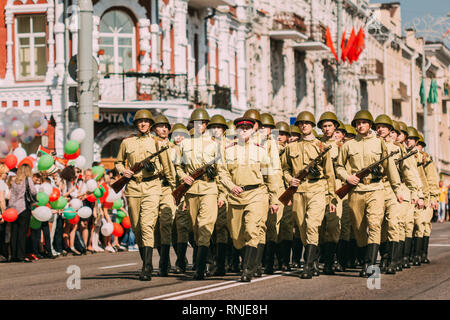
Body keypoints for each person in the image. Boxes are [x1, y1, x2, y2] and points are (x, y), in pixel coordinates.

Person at [335, 110, 402, 278]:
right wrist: (347, 177)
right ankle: (365, 257)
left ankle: (370, 264)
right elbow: (339, 166)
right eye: (357, 123)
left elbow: (390, 168)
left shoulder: (380, 144)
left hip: (376, 189)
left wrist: (397, 190)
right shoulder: (348, 145)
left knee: (374, 225)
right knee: (358, 228)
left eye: (363, 123)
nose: (360, 125)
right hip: (356, 191)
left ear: (370, 125)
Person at [115, 109, 176, 281]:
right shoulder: (127, 143)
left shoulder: (158, 143)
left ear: (150, 125)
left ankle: (147, 267)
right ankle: (146, 262)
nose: (143, 124)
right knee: (137, 227)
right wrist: (123, 171)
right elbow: (118, 162)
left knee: (147, 225)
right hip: (133, 187)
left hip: (152, 186)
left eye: (146, 122)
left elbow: (168, 169)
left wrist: (174, 191)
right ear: (136, 124)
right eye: (140, 122)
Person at [218, 115, 281, 282]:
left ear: (252, 130)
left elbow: (270, 176)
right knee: (237, 237)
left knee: (252, 229)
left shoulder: (260, 150)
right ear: (236, 130)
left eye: (247, 128)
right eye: (240, 128)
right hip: (236, 196)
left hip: (257, 194)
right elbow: (222, 173)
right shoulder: (227, 150)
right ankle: (248, 262)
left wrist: (274, 199)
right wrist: (231, 187)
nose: (244, 130)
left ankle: (247, 269)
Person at [281, 111, 337, 279]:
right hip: (298, 191)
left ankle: (307, 264)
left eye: (307, 123)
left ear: (312, 125)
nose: (304, 126)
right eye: (301, 123)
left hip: (317, 188)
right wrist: (290, 179)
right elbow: (284, 169)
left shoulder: (321, 146)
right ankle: (313, 259)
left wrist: (331, 198)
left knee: (312, 224)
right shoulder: (291, 147)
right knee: (301, 227)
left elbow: (329, 174)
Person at [174, 109, 220, 280]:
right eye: (196, 123)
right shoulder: (184, 144)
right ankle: (209, 257)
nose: (199, 125)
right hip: (191, 190)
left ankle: (200, 268)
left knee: (205, 226)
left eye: (203, 123)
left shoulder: (215, 144)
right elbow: (178, 166)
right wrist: (183, 176)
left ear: (206, 125)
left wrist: (221, 191)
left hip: (209, 188)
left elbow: (222, 170)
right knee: (195, 229)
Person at [151, 114, 178, 276]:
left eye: (166, 127)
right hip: (153, 187)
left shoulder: (175, 147)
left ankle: (164, 262)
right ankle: (164, 259)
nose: (164, 129)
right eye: (160, 126)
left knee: (166, 223)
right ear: (154, 129)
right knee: (154, 227)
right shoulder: (150, 145)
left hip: (169, 188)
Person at [9, 163, 37, 262]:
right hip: (24, 207)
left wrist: (10, 207)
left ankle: (13, 255)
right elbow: (33, 191)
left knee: (14, 232)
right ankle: (20, 255)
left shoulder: (15, 181)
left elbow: (12, 195)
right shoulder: (28, 179)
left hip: (13, 209)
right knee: (22, 232)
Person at [0, 164, 10, 261]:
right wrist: (3, 214)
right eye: (6, 173)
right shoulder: (2, 184)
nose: (7, 175)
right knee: (1, 233)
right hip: (1, 210)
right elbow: (2, 199)